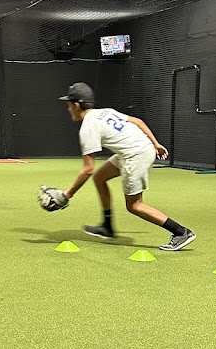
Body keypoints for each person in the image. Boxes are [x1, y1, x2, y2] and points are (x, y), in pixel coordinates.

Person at [54, 82, 196, 251]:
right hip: (139, 148)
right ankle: (107, 227)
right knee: (100, 178)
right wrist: (155, 144)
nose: (68, 109)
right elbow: (138, 122)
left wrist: (67, 195)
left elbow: (87, 169)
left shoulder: (87, 128)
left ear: (77, 105)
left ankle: (180, 232)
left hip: (135, 155)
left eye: (69, 105)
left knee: (134, 205)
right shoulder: (104, 112)